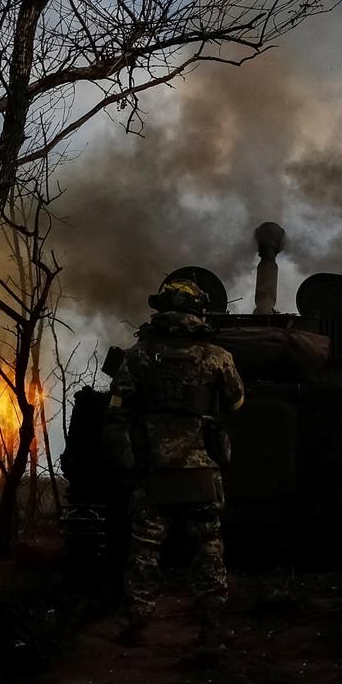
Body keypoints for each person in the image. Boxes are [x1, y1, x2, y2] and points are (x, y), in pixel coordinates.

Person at [104, 277, 244, 651]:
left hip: (154, 469)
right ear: (198, 311)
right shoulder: (217, 356)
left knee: (144, 549)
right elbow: (235, 403)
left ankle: (135, 623)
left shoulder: (139, 356)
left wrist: (128, 460)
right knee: (208, 547)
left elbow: (118, 410)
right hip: (201, 470)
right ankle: (212, 629)